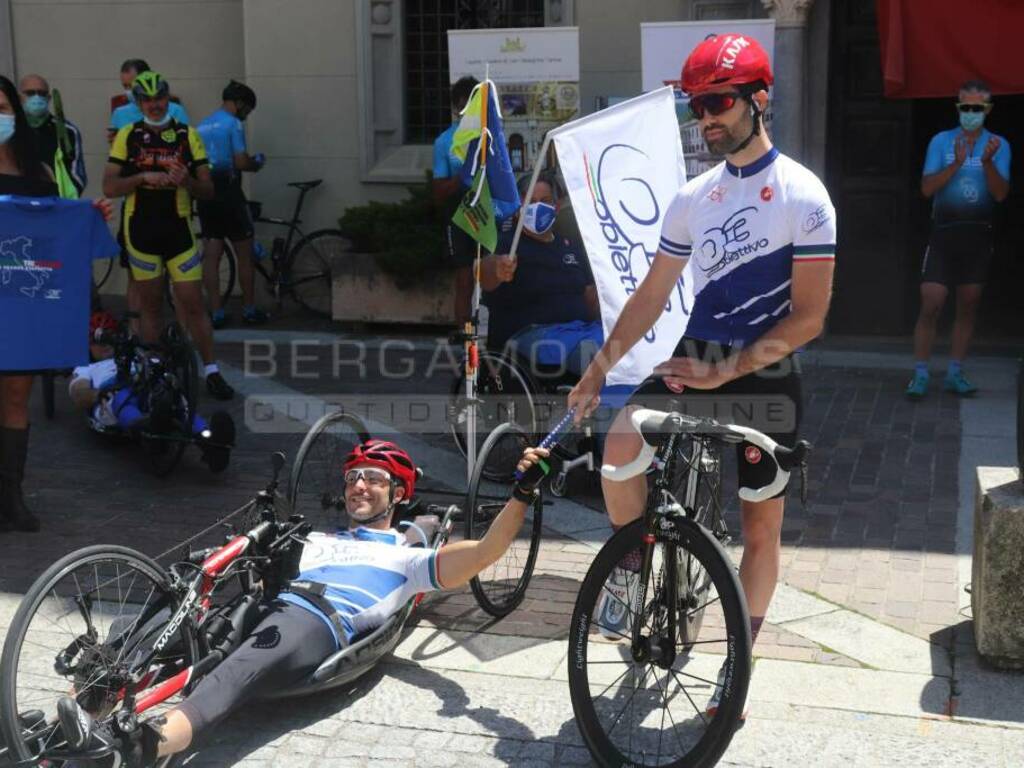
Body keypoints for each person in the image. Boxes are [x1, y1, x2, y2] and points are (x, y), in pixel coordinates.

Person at [567, 34, 836, 715]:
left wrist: (729, 375)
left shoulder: (805, 195)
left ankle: (738, 661)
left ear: (758, 98)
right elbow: (652, 295)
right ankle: (639, 566)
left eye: (718, 102)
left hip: (763, 371)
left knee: (759, 529)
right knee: (619, 451)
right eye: (697, 109)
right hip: (696, 357)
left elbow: (807, 321)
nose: (707, 119)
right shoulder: (694, 195)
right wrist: (599, 369)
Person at [56, 439, 554, 767]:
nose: (360, 484)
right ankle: (80, 714)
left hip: (314, 622)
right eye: (354, 476)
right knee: (182, 631)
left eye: (375, 478)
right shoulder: (312, 536)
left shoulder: (408, 557)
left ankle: (135, 747)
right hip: (266, 605)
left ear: (399, 493)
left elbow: (486, 552)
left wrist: (522, 494)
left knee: (230, 675)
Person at [102, 71, 234, 401]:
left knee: (191, 303)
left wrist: (186, 181)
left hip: (179, 231)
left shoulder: (187, 134)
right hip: (141, 231)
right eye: (147, 100)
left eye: (159, 98)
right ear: (139, 102)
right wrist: (142, 176)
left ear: (167, 97)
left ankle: (211, 370)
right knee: (151, 305)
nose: (155, 105)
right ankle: (157, 369)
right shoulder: (128, 135)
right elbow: (109, 186)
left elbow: (208, 189)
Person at [906, 79, 1011, 399]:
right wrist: (956, 162)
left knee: (968, 304)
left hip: (977, 233)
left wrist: (988, 162)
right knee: (932, 302)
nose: (970, 113)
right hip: (944, 232)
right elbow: (926, 189)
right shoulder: (942, 141)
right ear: (957, 108)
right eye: (965, 107)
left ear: (987, 110)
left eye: (977, 108)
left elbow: (1000, 193)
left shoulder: (999, 145)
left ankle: (955, 371)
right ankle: (921, 373)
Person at [67, 311, 235, 471]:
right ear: (88, 345)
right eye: (98, 341)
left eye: (110, 337)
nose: (105, 345)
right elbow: (78, 393)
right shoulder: (86, 367)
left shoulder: (134, 354)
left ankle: (211, 442)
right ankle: (145, 430)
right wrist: (98, 394)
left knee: (173, 396)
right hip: (112, 397)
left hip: (144, 386)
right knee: (122, 397)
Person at [480, 172, 600, 374]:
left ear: (557, 205)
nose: (537, 207)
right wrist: (497, 268)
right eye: (530, 201)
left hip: (581, 330)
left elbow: (591, 297)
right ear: (518, 207)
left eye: (544, 201)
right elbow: (484, 273)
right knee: (596, 354)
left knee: (624, 343)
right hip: (532, 335)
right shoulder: (506, 244)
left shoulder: (570, 246)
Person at [196, 80, 267, 328]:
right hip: (229, 194)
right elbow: (240, 161)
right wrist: (256, 162)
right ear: (238, 104)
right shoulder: (233, 124)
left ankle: (216, 312)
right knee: (244, 254)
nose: (246, 115)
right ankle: (249, 309)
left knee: (212, 255)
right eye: (247, 109)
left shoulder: (202, 124)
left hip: (205, 194)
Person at [432, 76, 479, 324]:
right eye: (462, 105)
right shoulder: (444, 142)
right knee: (464, 279)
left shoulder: (492, 137)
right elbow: (438, 191)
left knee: (493, 275)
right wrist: (461, 177)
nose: (466, 111)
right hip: (458, 215)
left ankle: (491, 338)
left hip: (488, 213)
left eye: (472, 104)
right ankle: (465, 339)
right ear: (455, 108)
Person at [19, 74, 87, 195]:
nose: (37, 97)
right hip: (16, 204)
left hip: (56, 204)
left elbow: (78, 176)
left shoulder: (67, 131)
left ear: (49, 98)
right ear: (19, 98)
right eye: (30, 93)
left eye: (42, 93)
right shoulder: (10, 128)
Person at [109, 62, 189, 140]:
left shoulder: (176, 110)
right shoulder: (119, 113)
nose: (129, 90)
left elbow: (186, 142)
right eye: (125, 86)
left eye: (132, 85)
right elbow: (114, 145)